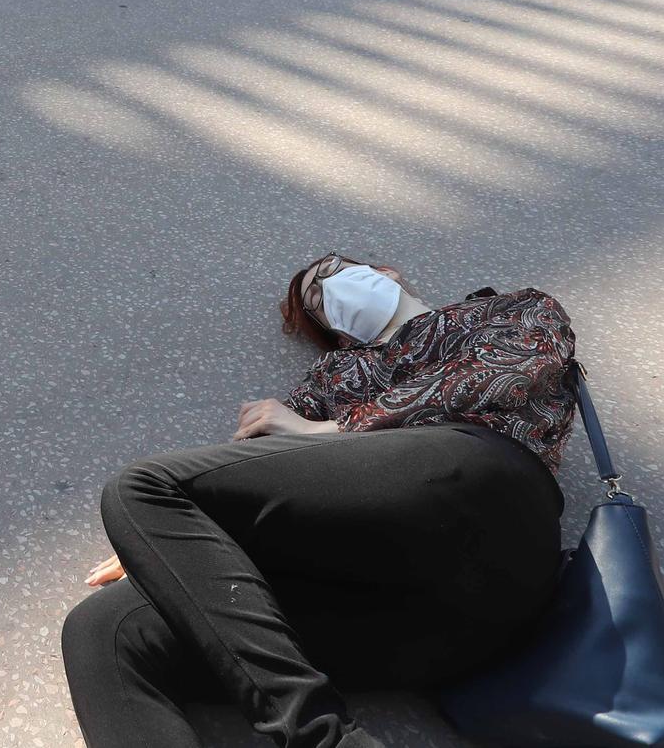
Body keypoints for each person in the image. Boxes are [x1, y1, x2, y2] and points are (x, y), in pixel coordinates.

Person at [62, 253, 574, 748]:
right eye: (317, 302)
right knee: (105, 630)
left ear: (386, 272)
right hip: (412, 621)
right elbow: (252, 474)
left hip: (488, 503)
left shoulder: (509, 308)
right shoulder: (335, 376)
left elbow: (512, 373)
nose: (327, 293)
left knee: (141, 487)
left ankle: (318, 737)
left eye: (331, 274)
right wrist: (171, 545)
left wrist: (327, 429)